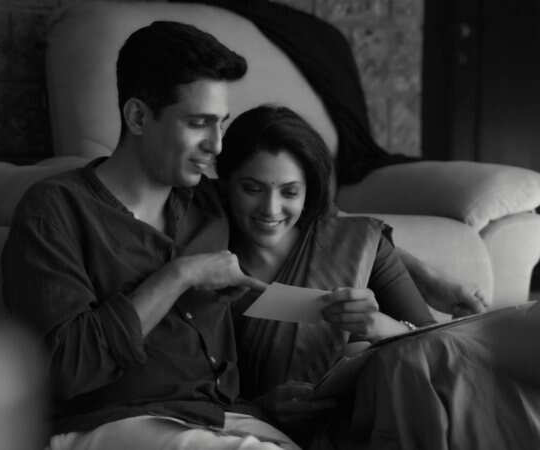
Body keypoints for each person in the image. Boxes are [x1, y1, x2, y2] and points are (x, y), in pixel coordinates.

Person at [1, 22, 302, 450]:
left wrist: (373, 313)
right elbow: (66, 368)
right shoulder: (56, 210)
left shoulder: (210, 204)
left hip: (218, 417)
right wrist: (179, 275)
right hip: (105, 423)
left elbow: (320, 225)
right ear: (138, 117)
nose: (216, 145)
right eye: (198, 123)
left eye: (221, 124)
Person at [216, 105, 540, 450]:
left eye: (290, 192)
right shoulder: (208, 259)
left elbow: (432, 352)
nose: (270, 208)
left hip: (391, 409)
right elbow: (195, 385)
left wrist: (381, 327)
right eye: (252, 189)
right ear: (225, 183)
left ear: (309, 190)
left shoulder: (356, 244)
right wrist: (262, 408)